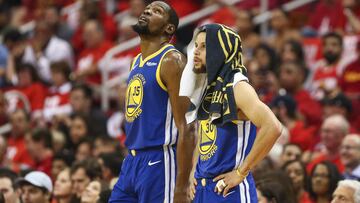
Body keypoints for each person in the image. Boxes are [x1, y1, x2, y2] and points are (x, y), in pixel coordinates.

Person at [183, 24, 282, 202]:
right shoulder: (207, 87)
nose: (196, 52)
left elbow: (273, 127)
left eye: (204, 46)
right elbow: (205, 136)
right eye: (196, 46)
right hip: (203, 189)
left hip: (229, 191)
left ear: (221, 50)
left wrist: (241, 172)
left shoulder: (238, 86)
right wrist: (194, 171)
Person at [109, 1, 194, 203]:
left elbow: (187, 127)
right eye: (148, 8)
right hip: (131, 159)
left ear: (169, 28)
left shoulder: (172, 60)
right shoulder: (136, 61)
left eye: (157, 11)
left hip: (159, 160)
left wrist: (181, 186)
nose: (147, 10)